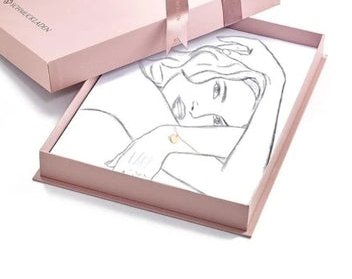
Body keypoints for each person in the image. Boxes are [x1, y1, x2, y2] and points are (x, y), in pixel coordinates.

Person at [63, 35, 286, 195]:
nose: (197, 112)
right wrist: (274, 82)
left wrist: (275, 82)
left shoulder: (163, 125)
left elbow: (243, 158)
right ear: (209, 62)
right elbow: (236, 187)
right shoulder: (135, 89)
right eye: (217, 91)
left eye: (217, 121)